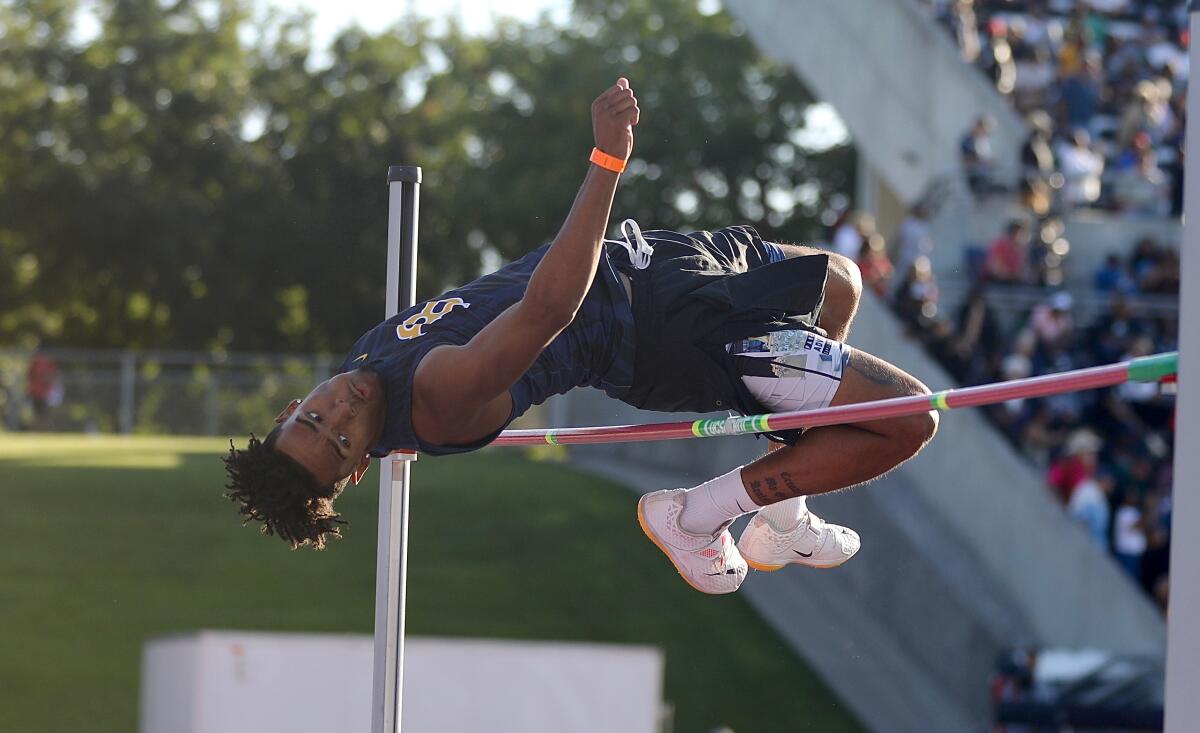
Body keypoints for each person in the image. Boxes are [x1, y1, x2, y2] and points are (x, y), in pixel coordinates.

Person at [222, 79, 939, 596]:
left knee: (840, 281)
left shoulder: (362, 366)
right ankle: (697, 515)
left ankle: (782, 511)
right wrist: (606, 162)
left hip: (661, 264)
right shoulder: (437, 400)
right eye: (343, 440)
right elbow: (547, 310)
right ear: (357, 470)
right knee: (909, 417)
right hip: (671, 331)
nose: (340, 410)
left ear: (291, 406)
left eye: (317, 417)